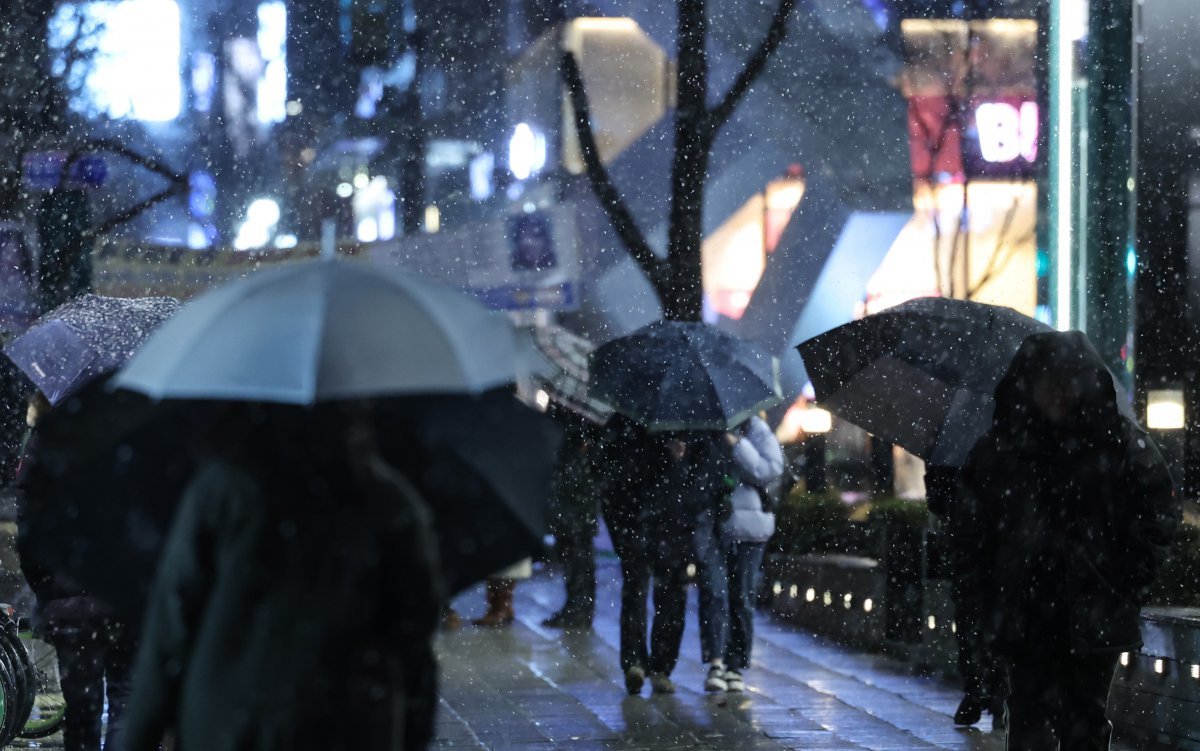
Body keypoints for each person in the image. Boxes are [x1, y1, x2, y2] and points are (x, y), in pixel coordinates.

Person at [119, 403, 444, 751]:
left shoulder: (224, 490)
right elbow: (414, 638)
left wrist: (141, 735)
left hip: (227, 721)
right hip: (348, 721)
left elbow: (171, 628)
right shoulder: (388, 502)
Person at [959, 331, 1179, 750]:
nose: (1058, 392)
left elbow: (1158, 512)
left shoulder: (1118, 444)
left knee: (1086, 722)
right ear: (1028, 385)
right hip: (1025, 612)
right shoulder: (1003, 449)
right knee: (1029, 722)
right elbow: (972, 530)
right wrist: (986, 596)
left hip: (1096, 609)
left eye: (1067, 380)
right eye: (1047, 380)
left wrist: (1126, 578)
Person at [17, 392, 136, 751]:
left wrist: (47, 589)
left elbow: (30, 528)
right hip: (124, 596)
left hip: (70, 604)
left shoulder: (45, 445)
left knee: (82, 712)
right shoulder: (130, 435)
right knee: (124, 701)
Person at [598, 416, 697, 696]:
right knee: (638, 594)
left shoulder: (690, 422)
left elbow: (705, 473)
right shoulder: (626, 423)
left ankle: (659, 667)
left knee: (668, 598)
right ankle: (637, 664)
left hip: (672, 525)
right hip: (639, 524)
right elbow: (609, 477)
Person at [924, 465, 1004, 727]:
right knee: (984, 627)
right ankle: (990, 693)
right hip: (990, 555)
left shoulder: (959, 456)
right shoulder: (1010, 448)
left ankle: (982, 691)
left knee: (975, 627)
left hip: (977, 555)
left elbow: (939, 502)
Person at [712, 414, 784, 693]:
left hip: (750, 529)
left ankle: (736, 664)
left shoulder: (757, 430)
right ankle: (717, 660)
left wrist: (737, 444)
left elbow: (769, 469)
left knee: (741, 596)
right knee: (716, 594)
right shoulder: (709, 428)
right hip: (716, 525)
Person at [542, 425, 600, 629]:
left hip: (576, 490)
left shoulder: (584, 424)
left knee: (577, 551)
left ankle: (580, 608)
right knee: (572, 550)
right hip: (571, 487)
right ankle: (578, 606)